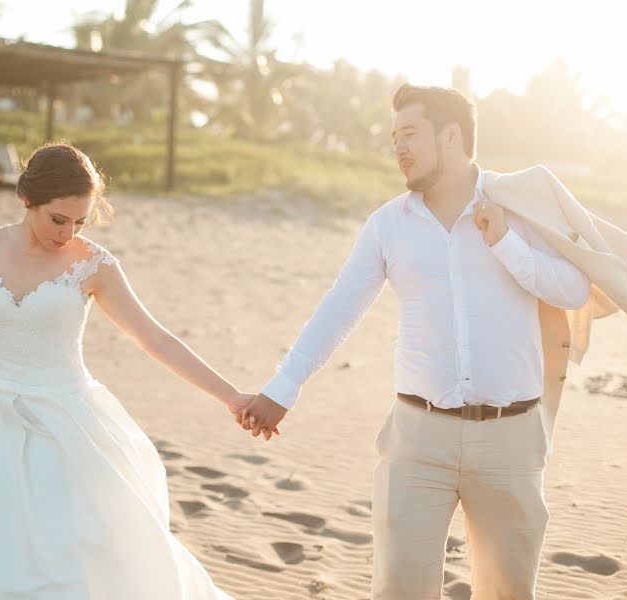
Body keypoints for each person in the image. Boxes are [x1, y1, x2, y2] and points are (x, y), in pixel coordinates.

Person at [238, 84, 591, 598]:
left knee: (508, 592)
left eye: (409, 134)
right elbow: (338, 308)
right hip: (417, 440)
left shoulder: (516, 208)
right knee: (399, 590)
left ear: (451, 135)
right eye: (394, 137)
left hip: (510, 440)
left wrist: (505, 243)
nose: (397, 147)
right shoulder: (387, 225)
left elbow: (575, 288)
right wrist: (281, 389)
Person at [0, 143, 258, 599]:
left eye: (81, 221)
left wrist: (231, 397)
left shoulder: (94, 265)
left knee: (68, 559)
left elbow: (157, 339)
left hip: (67, 423)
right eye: (59, 218)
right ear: (27, 198)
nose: (68, 232)